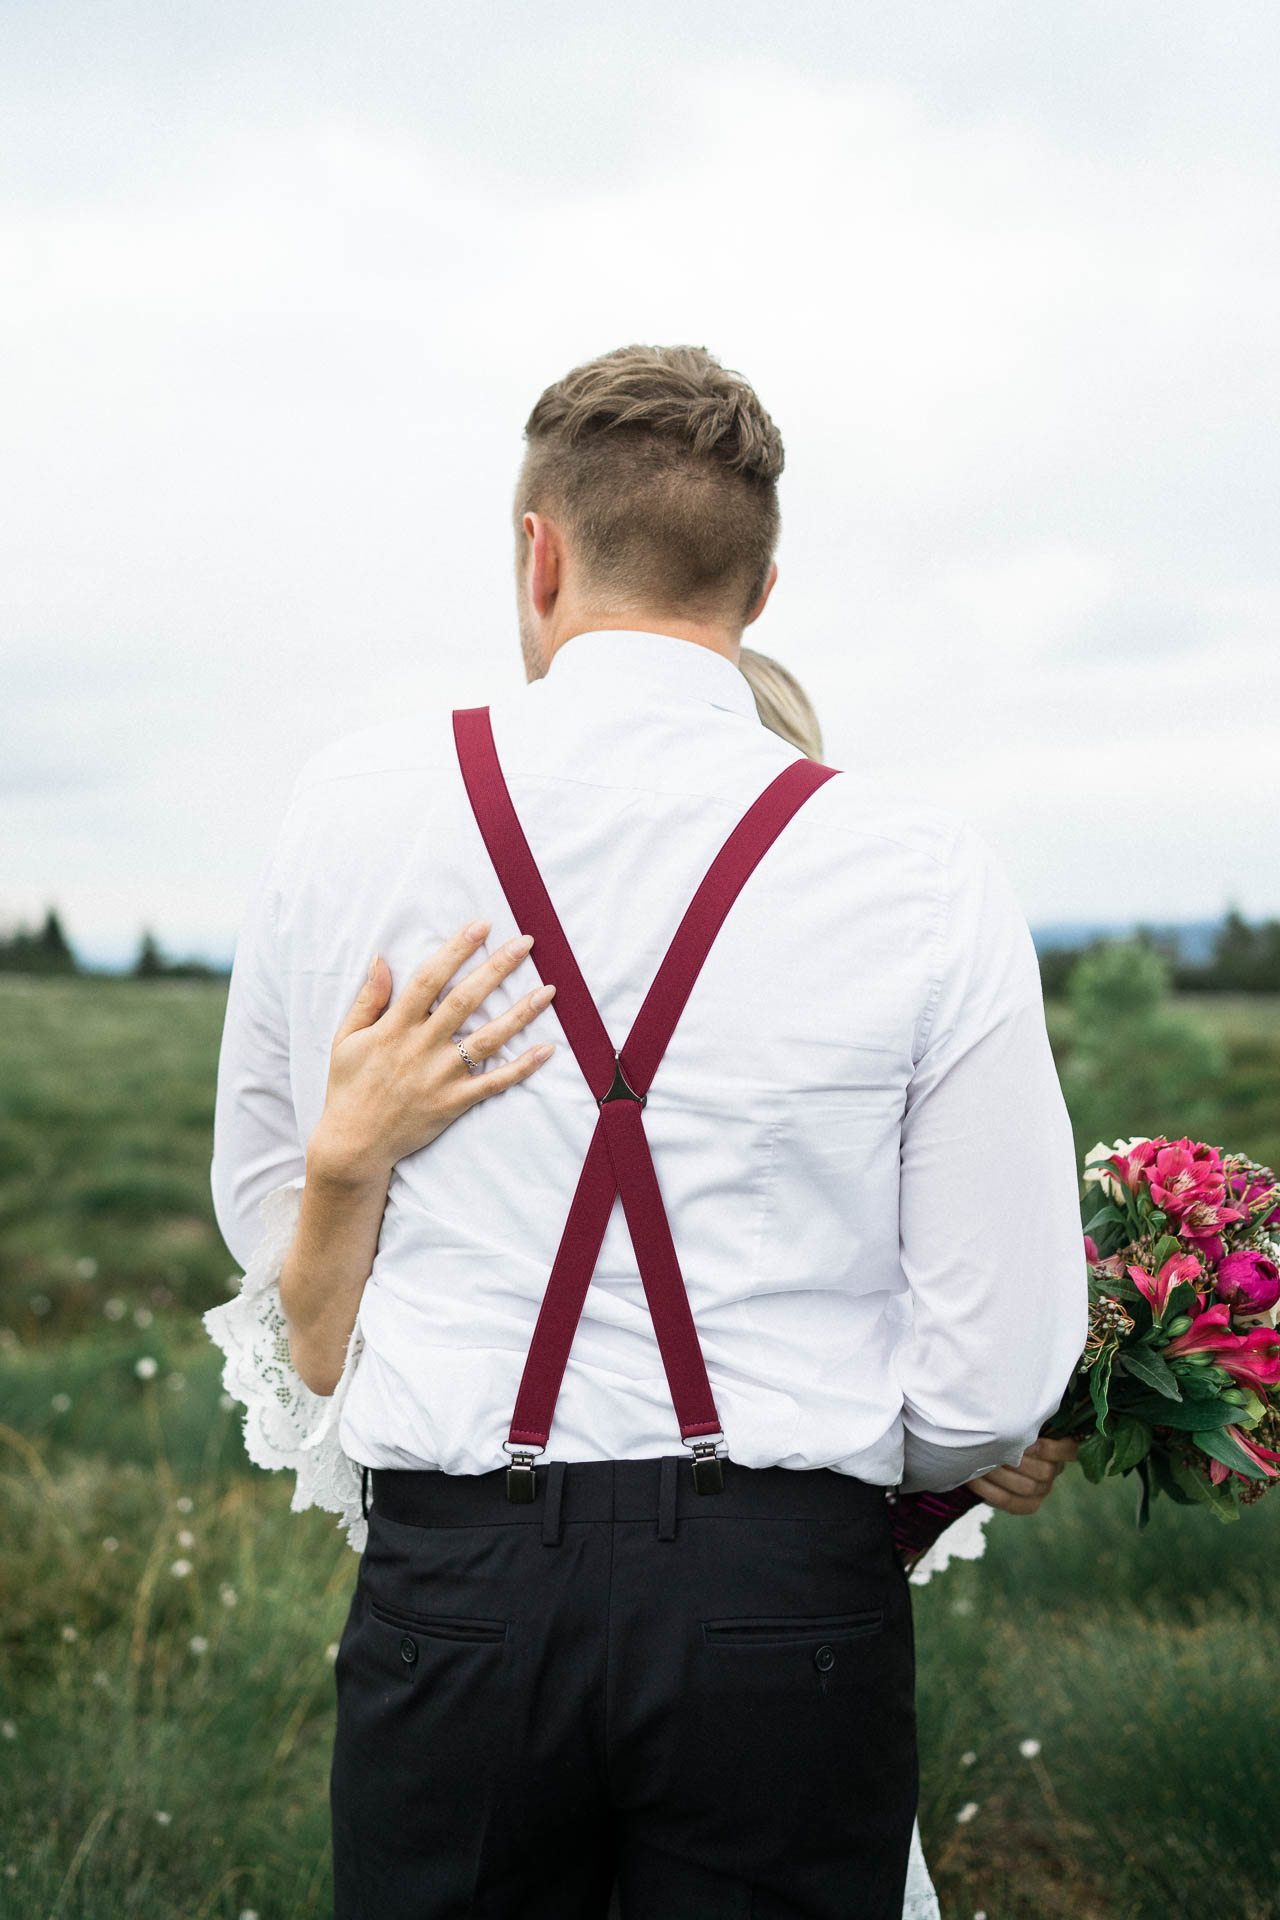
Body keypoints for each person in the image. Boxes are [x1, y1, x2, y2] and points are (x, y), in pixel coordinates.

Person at [208, 344, 1088, 1919]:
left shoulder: (350, 812)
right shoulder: (919, 867)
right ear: (758, 588)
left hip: (457, 1593)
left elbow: (278, 1230)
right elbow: (988, 1379)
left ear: (537, 553)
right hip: (783, 1605)